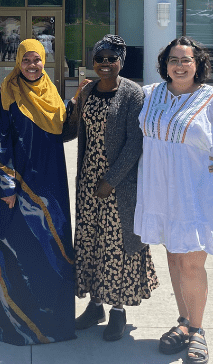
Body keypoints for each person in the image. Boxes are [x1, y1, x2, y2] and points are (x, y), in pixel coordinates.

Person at [134, 36, 213, 364]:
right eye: (173, 59)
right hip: (160, 192)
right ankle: (184, 322)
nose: (179, 65)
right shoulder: (151, 94)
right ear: (165, 64)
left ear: (197, 64)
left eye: (186, 60)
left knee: (192, 263)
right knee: (175, 259)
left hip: (194, 194)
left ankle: (199, 331)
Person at [62, 35, 159, 342]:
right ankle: (95, 306)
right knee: (91, 242)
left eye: (110, 58)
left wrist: (111, 180)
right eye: (99, 58)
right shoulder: (88, 90)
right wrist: (73, 104)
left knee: (117, 246)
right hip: (88, 183)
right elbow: (71, 131)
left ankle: (117, 310)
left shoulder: (133, 94)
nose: (104, 63)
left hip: (120, 186)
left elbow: (135, 143)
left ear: (121, 61)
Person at [0, 38, 76, 345]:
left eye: (36, 60)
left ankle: (54, 321)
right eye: (26, 60)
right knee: (19, 249)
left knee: (52, 246)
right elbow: (0, 142)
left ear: (44, 61)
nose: (31, 65)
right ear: (17, 62)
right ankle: (18, 321)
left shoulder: (52, 92)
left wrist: (77, 103)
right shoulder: (6, 94)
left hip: (51, 181)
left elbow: (64, 130)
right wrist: (6, 185)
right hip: (18, 182)